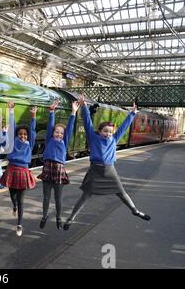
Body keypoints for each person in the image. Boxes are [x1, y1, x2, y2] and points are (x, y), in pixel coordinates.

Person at [63, 94, 151, 230]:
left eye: (110, 132)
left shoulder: (114, 139)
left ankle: (135, 210)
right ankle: (70, 219)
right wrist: (85, 107)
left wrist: (132, 113)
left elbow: (124, 127)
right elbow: (87, 123)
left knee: (121, 192)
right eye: (105, 131)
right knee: (85, 196)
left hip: (110, 171)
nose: (108, 134)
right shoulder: (93, 138)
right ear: (99, 131)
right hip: (95, 171)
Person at [38, 100, 79, 230]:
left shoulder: (64, 142)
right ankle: (44, 216)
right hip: (47, 169)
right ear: (53, 133)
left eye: (61, 133)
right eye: (57, 132)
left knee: (58, 199)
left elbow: (71, 127)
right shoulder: (49, 139)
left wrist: (73, 112)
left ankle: (58, 217)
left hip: (59, 171)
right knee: (46, 198)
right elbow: (50, 125)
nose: (59, 134)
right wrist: (52, 111)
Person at [0, 102, 38, 236]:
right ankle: (14, 205)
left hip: (23, 172)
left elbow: (32, 130)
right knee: (12, 195)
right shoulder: (13, 140)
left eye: (25, 134)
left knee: (21, 200)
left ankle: (19, 224)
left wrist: (33, 116)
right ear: (16, 135)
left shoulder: (30, 143)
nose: (23, 136)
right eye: (20, 134)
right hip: (12, 170)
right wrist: (11, 111)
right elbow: (12, 128)